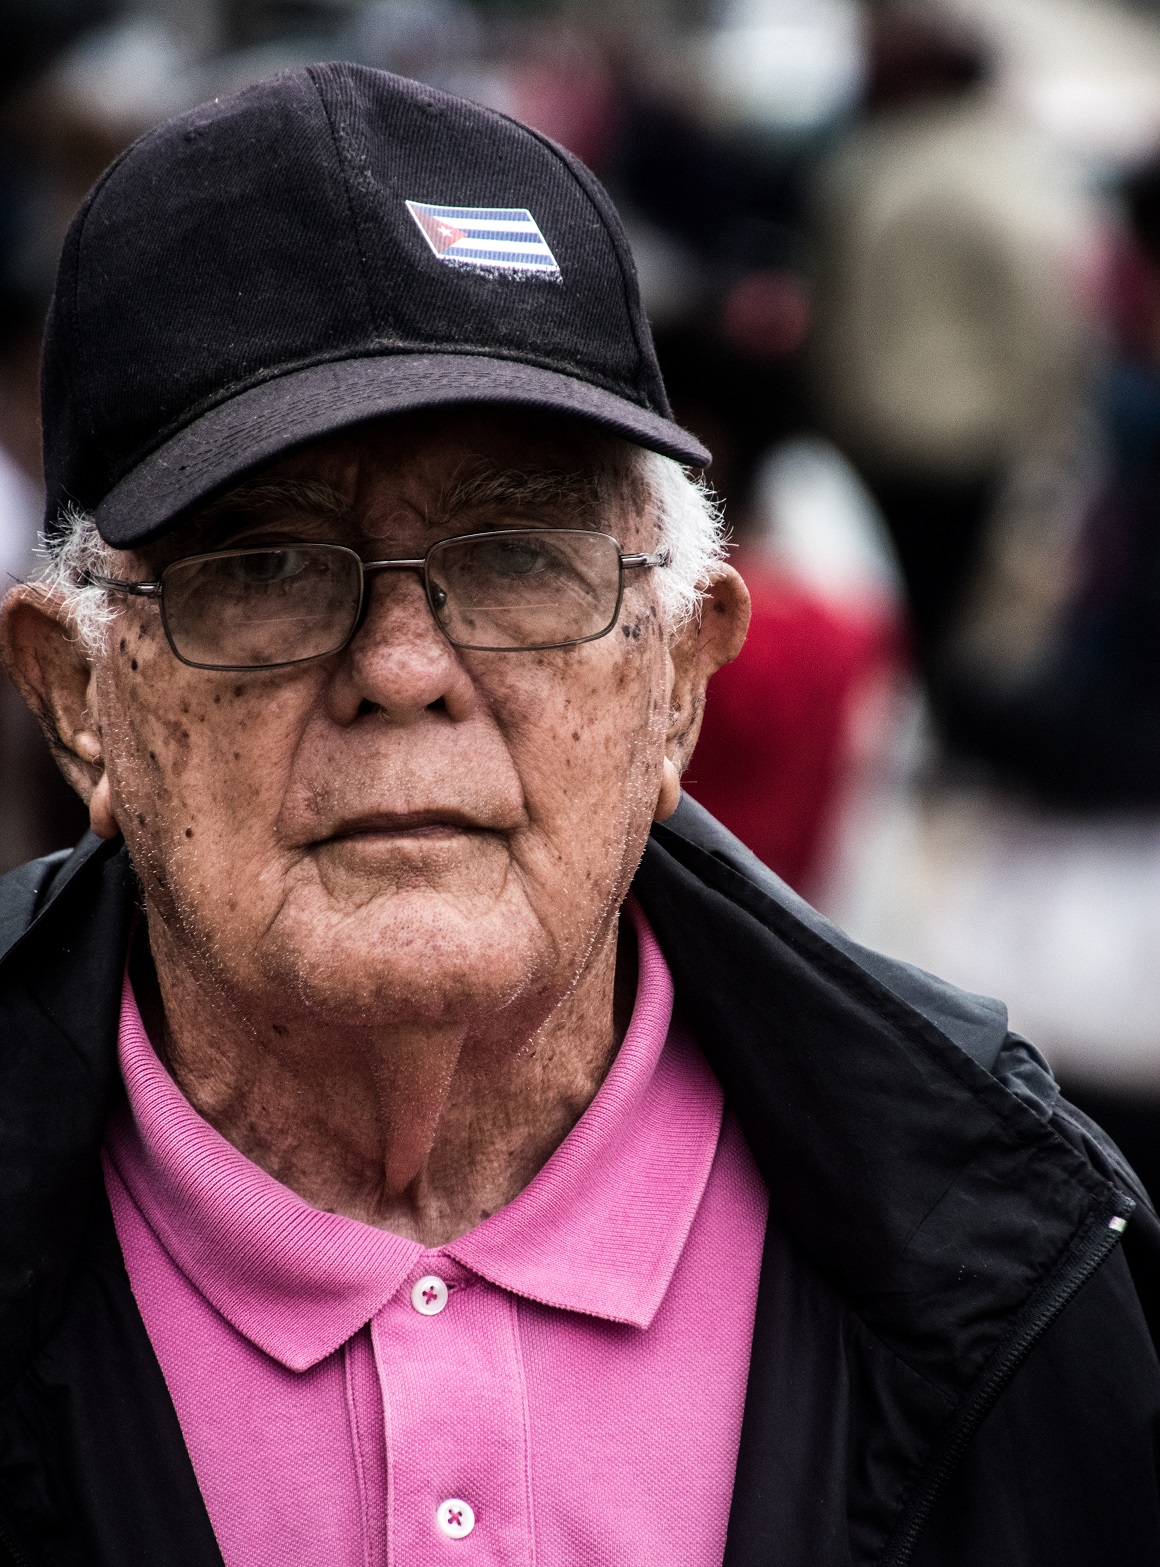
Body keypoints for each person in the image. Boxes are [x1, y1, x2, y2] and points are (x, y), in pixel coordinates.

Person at [0, 64, 1158, 1567]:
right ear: (78, 697)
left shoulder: (1020, 1263)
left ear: (678, 681)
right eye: (265, 566)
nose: (405, 671)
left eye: (516, 559)